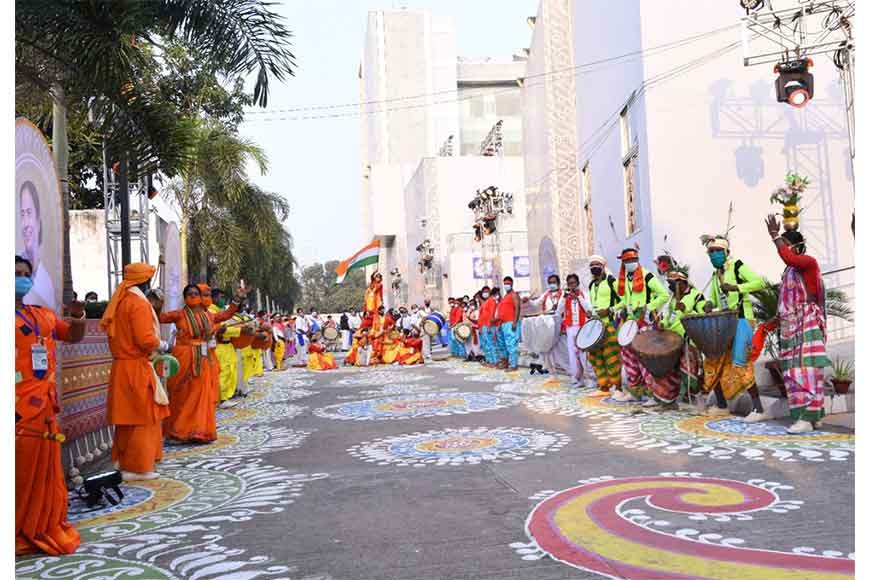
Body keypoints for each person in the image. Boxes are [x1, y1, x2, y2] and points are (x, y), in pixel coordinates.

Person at [16, 255, 85, 556]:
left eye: (25, 274)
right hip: (17, 409)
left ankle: (41, 525)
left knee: (45, 473)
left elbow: (72, 335)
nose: (21, 279)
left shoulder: (41, 315)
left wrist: (79, 316)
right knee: (19, 472)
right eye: (15, 274)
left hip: (44, 405)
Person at [761, 216, 829, 432]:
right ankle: (811, 416)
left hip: (806, 322)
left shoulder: (808, 262)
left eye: (786, 245)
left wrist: (774, 236)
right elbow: (785, 301)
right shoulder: (788, 272)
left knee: (806, 369)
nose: (783, 249)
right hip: (790, 326)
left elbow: (789, 258)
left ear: (797, 246)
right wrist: (774, 321)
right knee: (792, 372)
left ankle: (808, 419)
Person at [700, 235, 766, 417]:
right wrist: (708, 304)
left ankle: (758, 408)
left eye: (717, 251)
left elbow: (759, 282)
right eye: (711, 252)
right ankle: (722, 406)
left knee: (740, 362)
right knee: (713, 362)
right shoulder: (714, 276)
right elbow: (714, 300)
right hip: (724, 322)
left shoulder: (737, 266)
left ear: (726, 252)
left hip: (742, 319)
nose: (714, 254)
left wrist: (736, 287)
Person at [160, 284, 217, 443]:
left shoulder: (208, 315)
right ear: (184, 298)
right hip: (183, 357)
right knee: (180, 394)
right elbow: (159, 317)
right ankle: (177, 431)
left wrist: (237, 300)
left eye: (195, 293)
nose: (193, 296)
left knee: (199, 395)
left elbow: (225, 315)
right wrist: (155, 303)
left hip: (202, 358)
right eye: (189, 294)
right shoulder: (179, 314)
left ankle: (198, 431)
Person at [611, 248, 670, 403]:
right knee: (629, 359)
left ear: (637, 260)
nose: (630, 263)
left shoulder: (647, 276)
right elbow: (625, 301)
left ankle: (653, 395)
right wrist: (617, 308)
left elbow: (664, 295)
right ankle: (635, 392)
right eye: (626, 261)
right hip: (630, 324)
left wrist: (648, 307)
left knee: (646, 360)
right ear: (623, 263)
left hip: (645, 324)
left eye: (632, 260)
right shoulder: (625, 279)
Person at [661, 266, 706, 404]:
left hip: (689, 339)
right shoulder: (672, 298)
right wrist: (662, 323)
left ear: (681, 282)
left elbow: (703, 314)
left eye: (672, 283)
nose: (671, 286)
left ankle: (695, 397)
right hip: (672, 340)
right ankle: (677, 397)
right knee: (672, 371)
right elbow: (668, 317)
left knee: (689, 370)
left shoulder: (696, 295)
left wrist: (686, 310)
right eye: (669, 284)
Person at [586, 256, 622, 395]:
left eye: (597, 264)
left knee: (611, 356)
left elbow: (624, 300)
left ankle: (618, 388)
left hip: (610, 324)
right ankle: (603, 387)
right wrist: (590, 312)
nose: (594, 267)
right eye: (592, 265)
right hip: (595, 325)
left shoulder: (611, 281)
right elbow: (593, 303)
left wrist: (610, 310)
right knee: (595, 356)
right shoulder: (591, 285)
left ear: (603, 266)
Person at [19, 181, 56, 310]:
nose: (25, 224)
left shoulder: (46, 280)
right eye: (22, 214)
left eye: (29, 213)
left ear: (38, 221)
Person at [555, 273, 594, 387]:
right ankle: (578, 378)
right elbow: (558, 311)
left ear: (577, 283)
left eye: (573, 283)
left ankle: (591, 379)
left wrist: (579, 297)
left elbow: (589, 310)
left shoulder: (584, 294)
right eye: (569, 283)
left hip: (583, 327)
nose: (571, 286)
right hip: (570, 328)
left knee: (584, 354)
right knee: (573, 354)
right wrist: (564, 297)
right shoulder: (565, 296)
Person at [209, 288, 245, 408]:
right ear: (213, 298)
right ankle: (222, 398)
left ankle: (227, 395)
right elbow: (221, 329)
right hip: (220, 346)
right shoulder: (211, 310)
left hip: (228, 345)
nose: (223, 300)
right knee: (224, 372)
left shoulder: (219, 310)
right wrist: (240, 330)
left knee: (231, 370)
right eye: (221, 297)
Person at [523, 274, 565, 375]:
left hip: (560, 322)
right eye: (550, 282)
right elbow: (536, 303)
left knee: (560, 346)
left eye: (554, 282)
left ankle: (562, 365)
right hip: (548, 323)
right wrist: (528, 300)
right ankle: (548, 366)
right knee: (547, 345)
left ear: (558, 283)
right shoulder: (546, 294)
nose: (552, 284)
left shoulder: (563, 293)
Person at [494, 276, 521, 370]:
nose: (506, 285)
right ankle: (505, 363)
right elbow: (502, 312)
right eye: (505, 284)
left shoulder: (514, 295)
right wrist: (499, 324)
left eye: (508, 283)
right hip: (503, 323)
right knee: (503, 345)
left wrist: (515, 322)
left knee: (511, 344)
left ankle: (513, 365)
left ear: (512, 284)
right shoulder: (505, 296)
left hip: (510, 322)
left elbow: (517, 308)